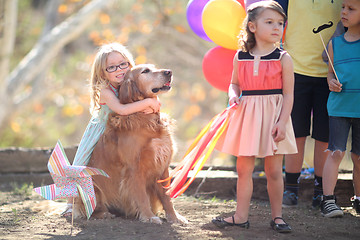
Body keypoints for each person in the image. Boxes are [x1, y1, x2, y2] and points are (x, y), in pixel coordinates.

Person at [211, 1, 297, 233]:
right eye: (269, 22)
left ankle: (277, 217)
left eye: (280, 23)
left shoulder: (283, 58)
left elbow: (288, 95)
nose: (276, 27)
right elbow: (234, 83)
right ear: (252, 26)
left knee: (273, 171)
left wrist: (282, 121)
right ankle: (240, 216)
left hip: (273, 116)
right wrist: (233, 96)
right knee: (243, 168)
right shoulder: (240, 56)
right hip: (247, 116)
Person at [61, 42, 161, 216]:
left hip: (119, 132)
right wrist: (148, 103)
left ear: (130, 64)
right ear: (102, 72)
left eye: (123, 64)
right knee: (82, 163)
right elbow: (122, 110)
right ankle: (72, 203)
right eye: (112, 67)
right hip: (101, 132)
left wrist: (155, 103)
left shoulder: (130, 84)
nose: (119, 70)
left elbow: (150, 101)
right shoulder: (106, 91)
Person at [282, 0, 342, 208]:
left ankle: (320, 191)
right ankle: (290, 188)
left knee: (324, 136)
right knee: (296, 133)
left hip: (331, 75)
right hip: (294, 71)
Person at [321, 0, 360, 218]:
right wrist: (330, 81)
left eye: (351, 8)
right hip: (339, 107)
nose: (344, 12)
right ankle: (328, 201)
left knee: (359, 157)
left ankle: (358, 199)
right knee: (336, 152)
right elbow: (330, 73)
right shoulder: (334, 44)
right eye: (343, 7)